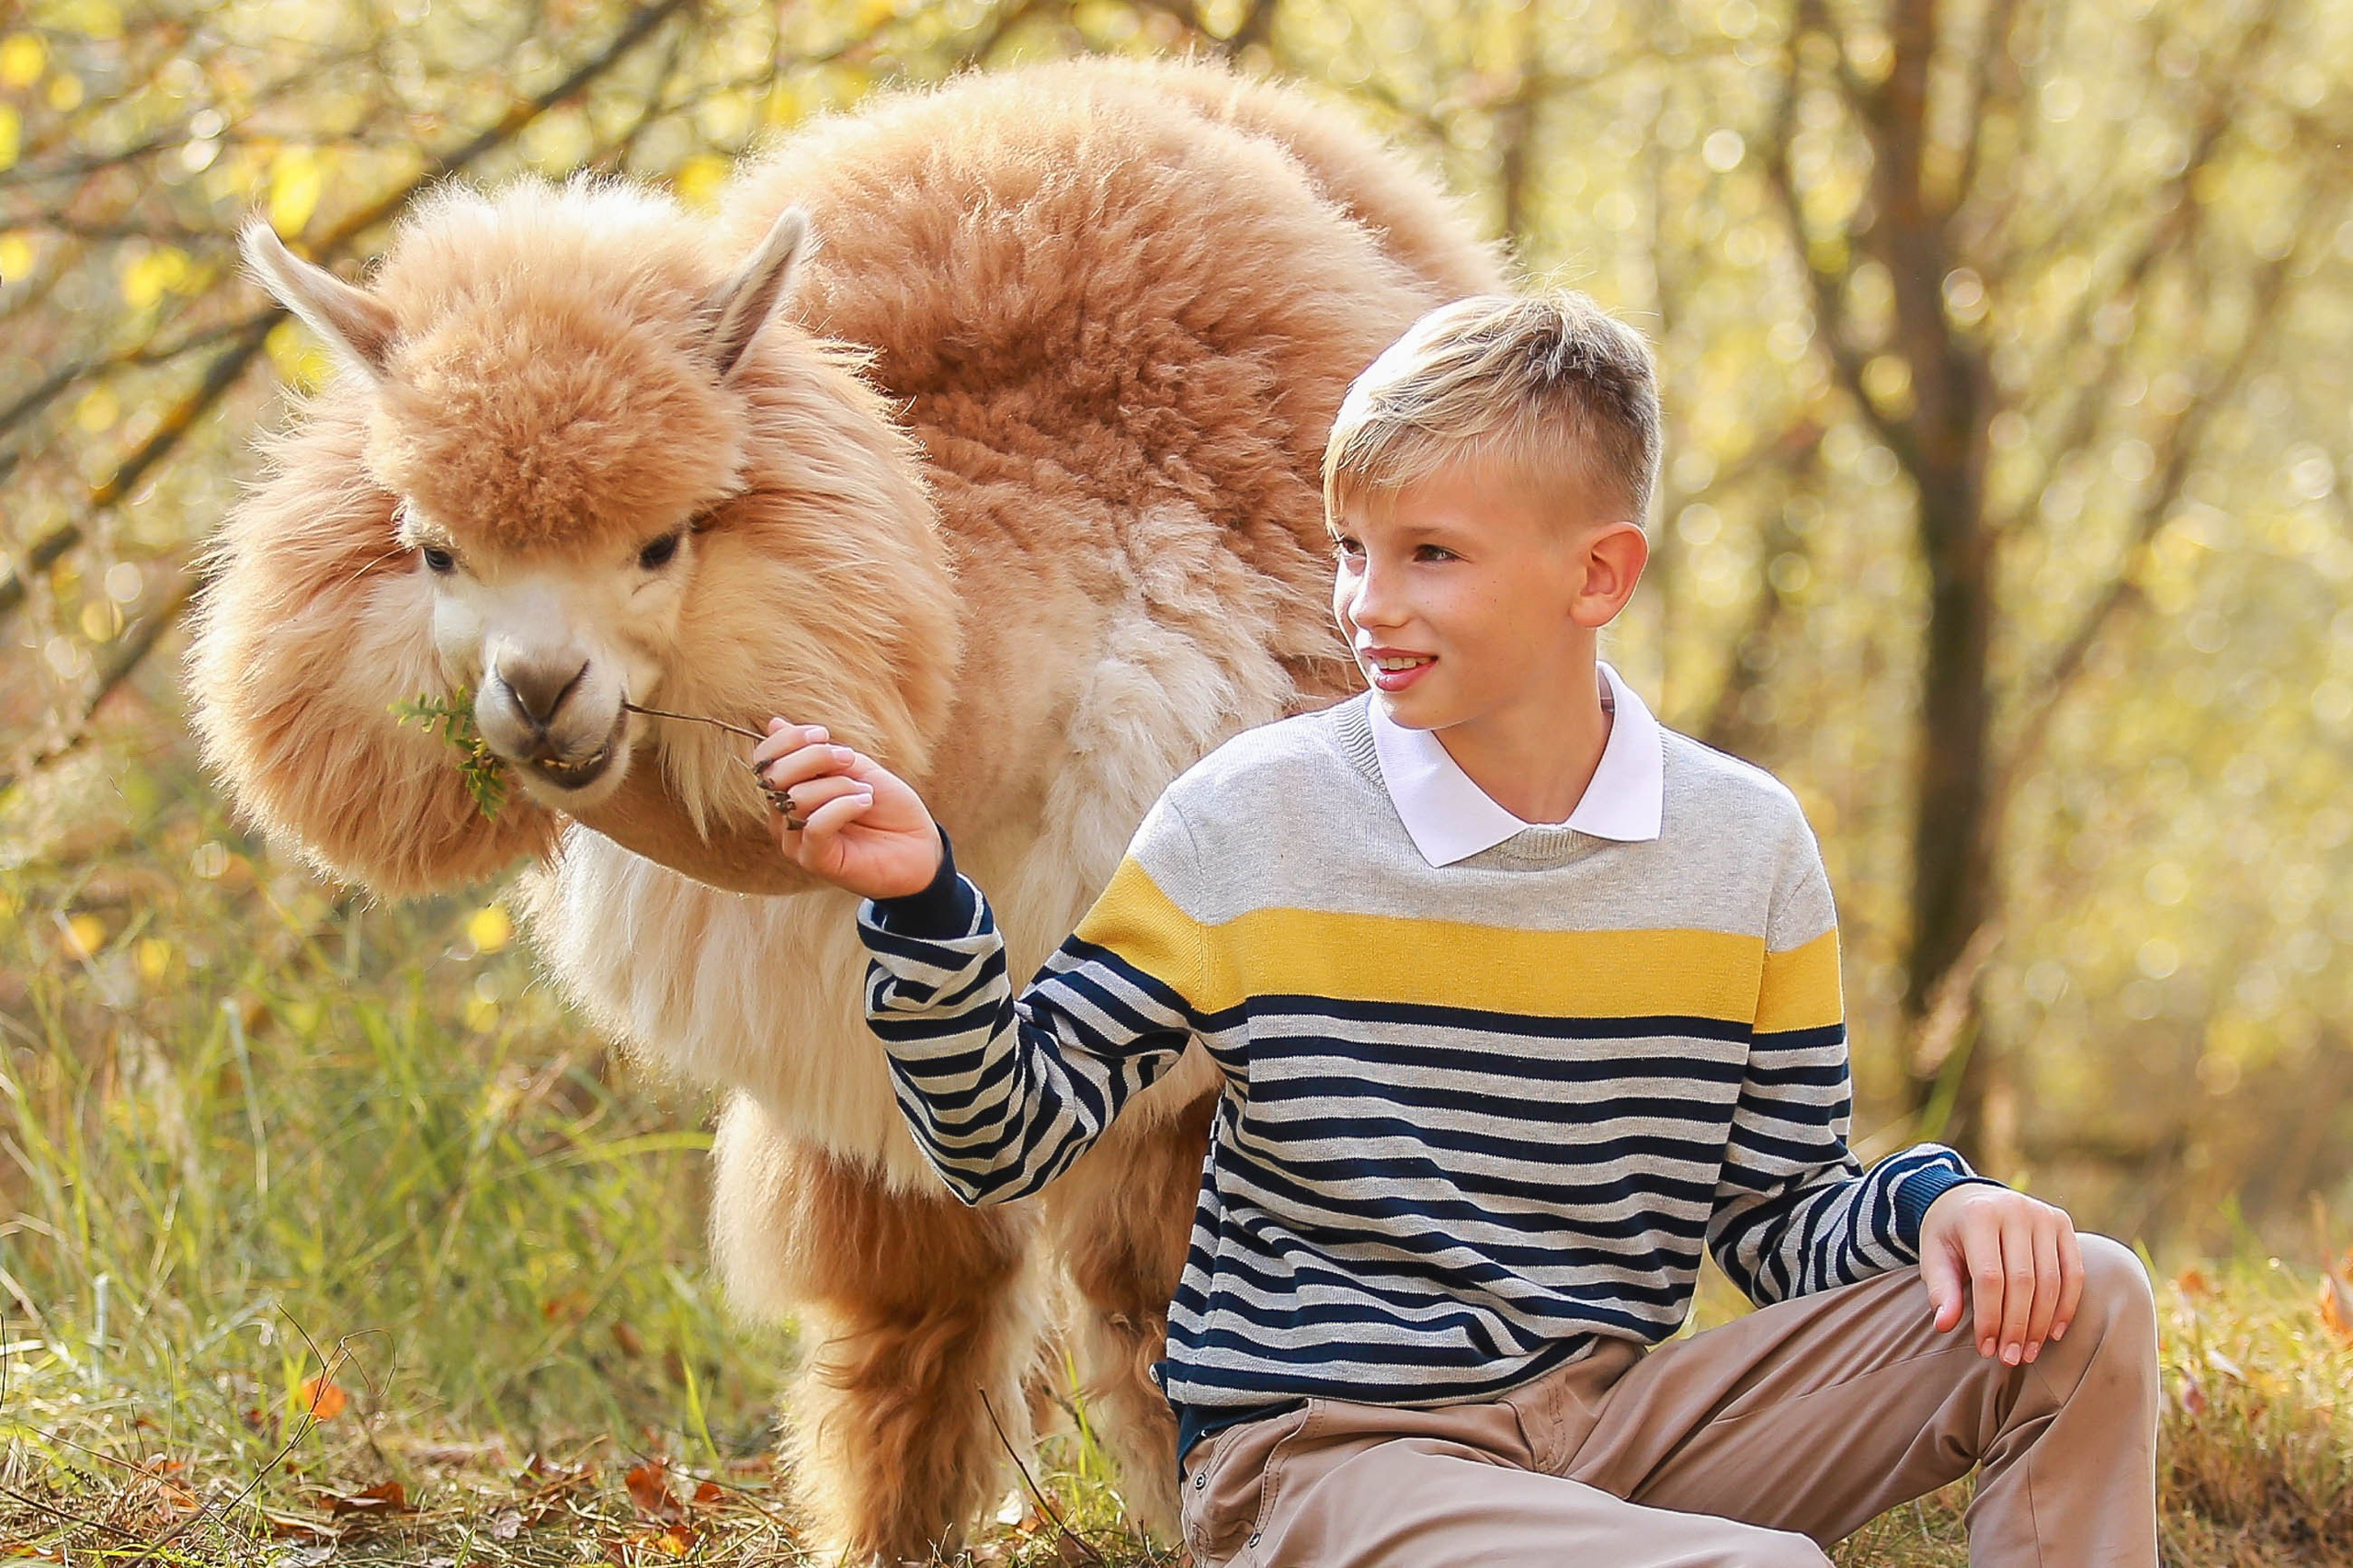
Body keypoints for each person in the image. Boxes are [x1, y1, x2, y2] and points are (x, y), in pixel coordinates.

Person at [748, 292, 2163, 1566]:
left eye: (1430, 555)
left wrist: (1937, 1208)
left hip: (1614, 1433)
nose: (1369, 605)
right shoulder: (1251, 817)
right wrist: (921, 898)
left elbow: (1777, 1216)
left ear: (1599, 577)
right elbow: (1006, 1133)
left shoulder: (1745, 847)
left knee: (2084, 1301)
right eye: (1354, 548)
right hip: (1327, 1460)